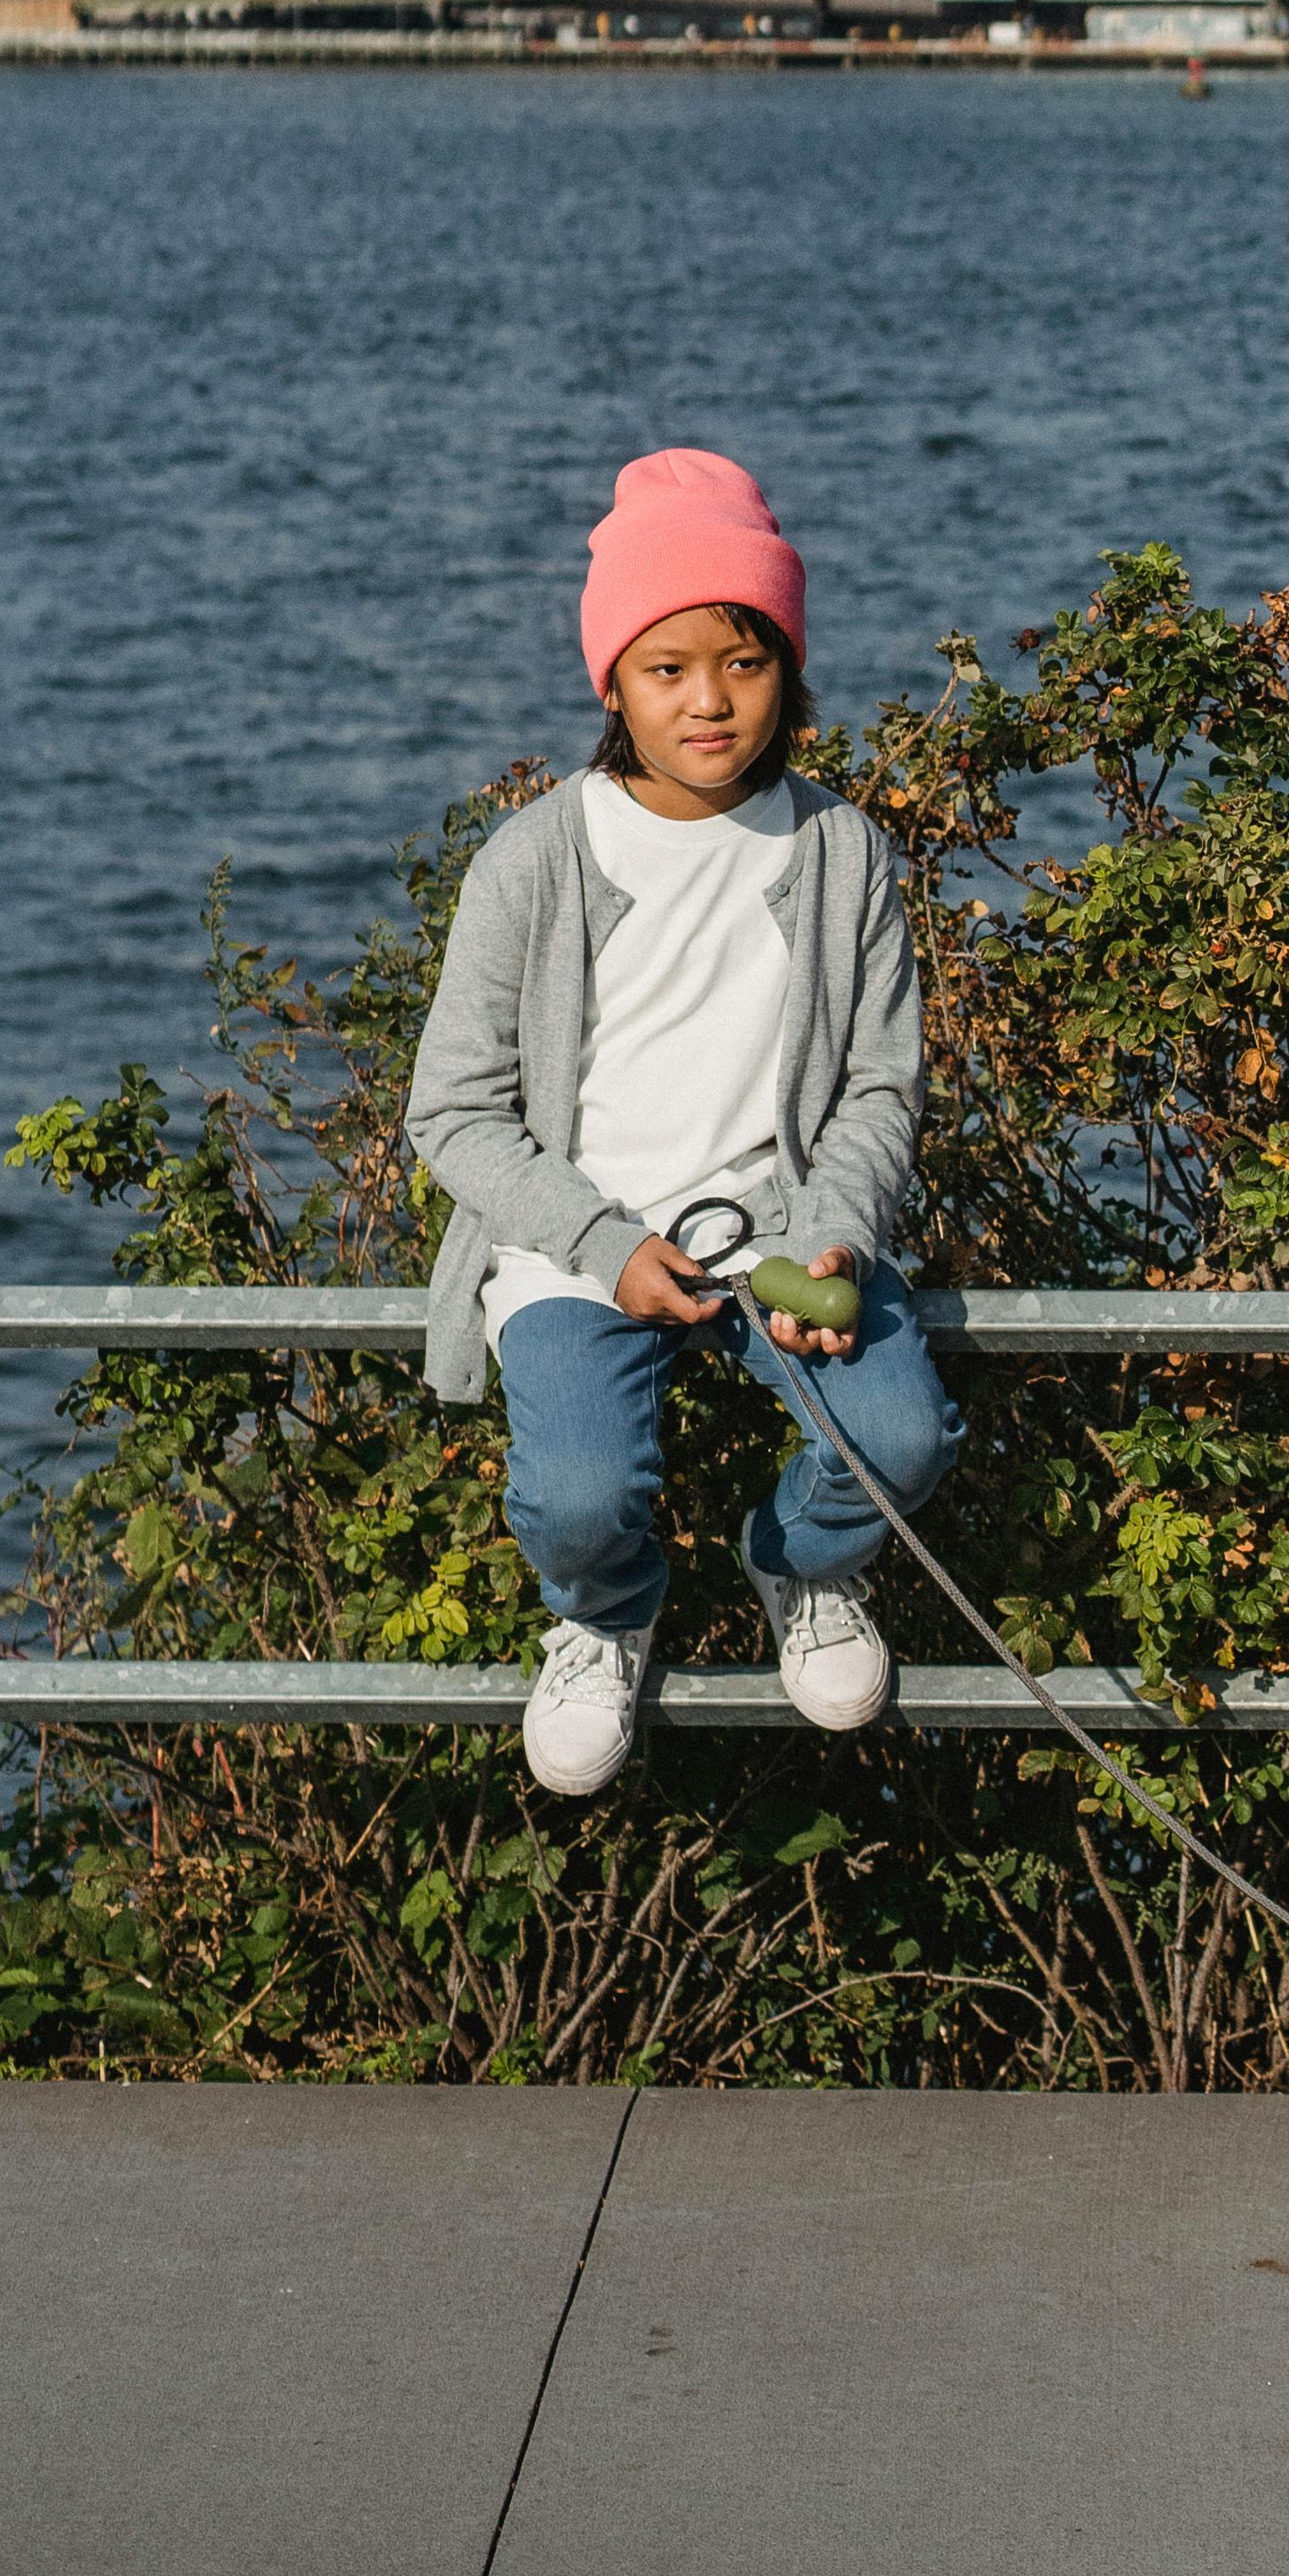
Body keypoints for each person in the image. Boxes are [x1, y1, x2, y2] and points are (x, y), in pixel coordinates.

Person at [406, 446, 959, 1797]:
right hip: (577, 1249)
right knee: (579, 1500)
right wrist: (603, 1242)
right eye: (668, 668)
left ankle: (800, 1571)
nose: (710, 701)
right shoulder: (534, 861)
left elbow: (882, 1083)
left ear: (790, 666)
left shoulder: (841, 852)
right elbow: (454, 1113)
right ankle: (606, 1617)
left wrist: (832, 1232)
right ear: (612, 683)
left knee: (902, 1441)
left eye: (746, 660)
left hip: (781, 1231)